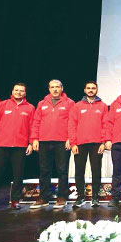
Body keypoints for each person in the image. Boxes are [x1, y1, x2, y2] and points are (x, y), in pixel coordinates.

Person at [0, 82, 35, 211]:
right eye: (16, 90)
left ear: (25, 93)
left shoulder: (30, 108)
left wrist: (30, 143)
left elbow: (32, 127)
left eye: (21, 91)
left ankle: (15, 200)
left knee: (18, 175)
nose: (19, 92)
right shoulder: (2, 105)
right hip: (2, 145)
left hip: (20, 146)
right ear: (12, 91)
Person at [29, 79, 74, 208]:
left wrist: (70, 139)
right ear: (49, 89)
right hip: (43, 141)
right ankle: (43, 197)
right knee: (44, 170)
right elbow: (36, 122)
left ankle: (61, 197)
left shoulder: (70, 103)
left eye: (57, 87)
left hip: (62, 142)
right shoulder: (41, 103)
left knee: (62, 170)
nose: (55, 89)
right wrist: (34, 139)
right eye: (52, 87)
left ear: (62, 88)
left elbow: (72, 122)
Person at [69, 81, 108, 208]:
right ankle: (80, 197)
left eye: (93, 88)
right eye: (88, 88)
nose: (91, 90)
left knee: (96, 171)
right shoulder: (77, 106)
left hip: (97, 144)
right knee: (79, 171)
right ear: (85, 90)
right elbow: (72, 125)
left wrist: (103, 142)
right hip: (80, 144)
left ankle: (95, 197)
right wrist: (73, 143)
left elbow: (105, 125)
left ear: (97, 90)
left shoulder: (102, 106)